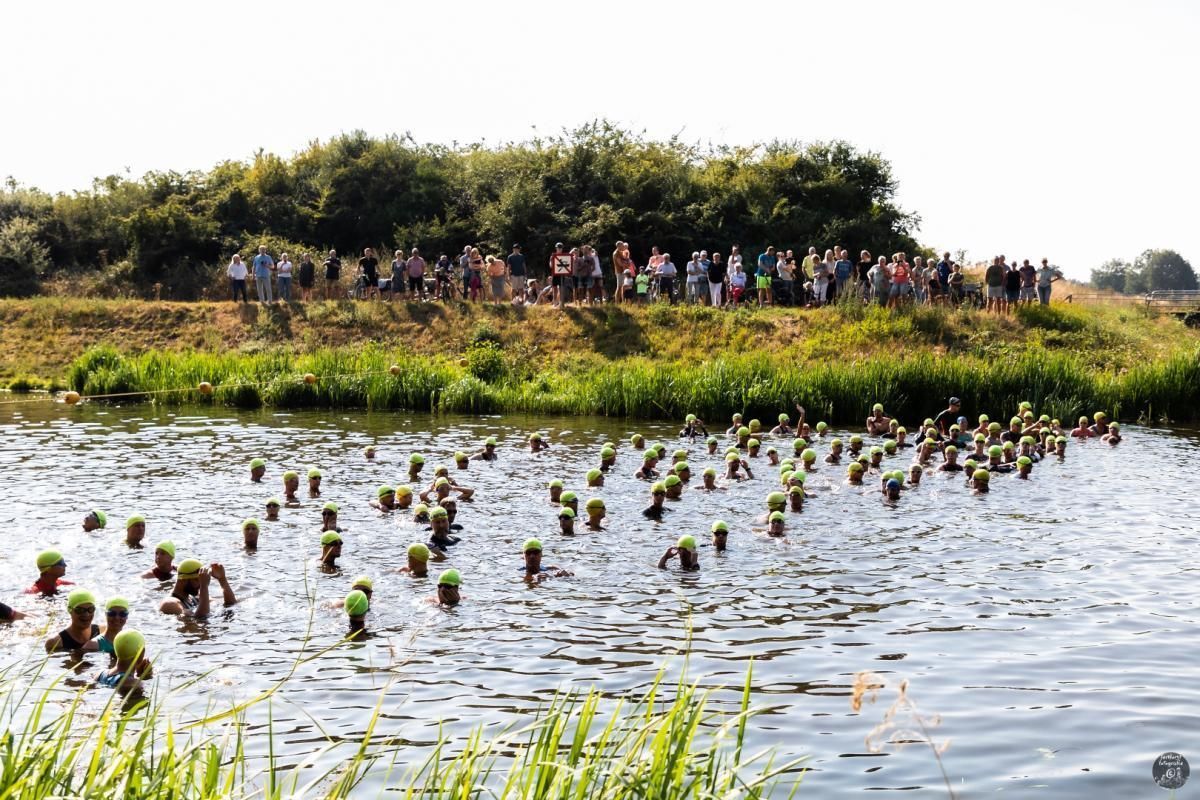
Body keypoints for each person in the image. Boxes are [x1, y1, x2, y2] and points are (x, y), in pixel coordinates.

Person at [160, 561, 237, 616]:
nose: (200, 584)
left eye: (201, 580)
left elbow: (230, 604)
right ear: (183, 580)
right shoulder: (170, 603)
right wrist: (204, 586)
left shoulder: (194, 597)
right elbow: (200, 618)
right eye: (198, 580)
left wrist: (222, 579)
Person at [548, 243, 573, 307]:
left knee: (561, 289)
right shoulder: (553, 256)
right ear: (556, 248)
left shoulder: (565, 256)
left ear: (562, 248)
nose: (559, 249)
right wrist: (552, 262)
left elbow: (568, 263)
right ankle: (555, 303)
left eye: (560, 248)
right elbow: (551, 265)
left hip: (562, 275)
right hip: (555, 274)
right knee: (554, 288)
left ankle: (561, 303)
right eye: (558, 248)